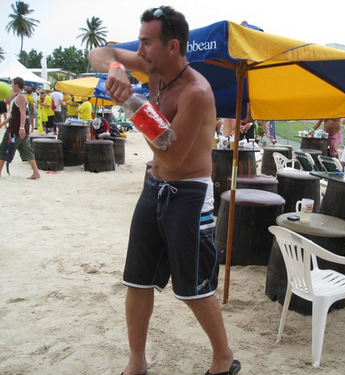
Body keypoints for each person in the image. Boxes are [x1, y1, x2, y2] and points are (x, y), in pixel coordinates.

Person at [87, 6, 240, 375]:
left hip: (189, 192)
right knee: (137, 278)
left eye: (146, 42)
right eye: (138, 42)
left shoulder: (197, 92)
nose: (140, 49)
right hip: (153, 186)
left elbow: (172, 157)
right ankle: (136, 361)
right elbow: (98, 53)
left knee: (193, 287)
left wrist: (131, 103)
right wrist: (115, 69)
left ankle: (224, 357)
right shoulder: (150, 68)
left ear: (172, 46)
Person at [0, 77, 41, 179]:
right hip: (18, 129)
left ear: (16, 85)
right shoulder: (18, 97)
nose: (11, 86)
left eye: (12, 84)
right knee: (26, 150)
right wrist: (3, 123)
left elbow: (23, 113)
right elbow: (14, 115)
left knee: (4, 149)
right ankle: (36, 172)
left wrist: (21, 127)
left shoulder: (20, 97)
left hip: (15, 130)